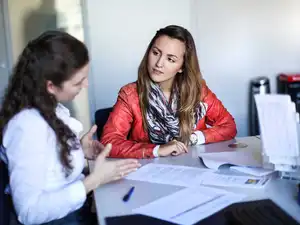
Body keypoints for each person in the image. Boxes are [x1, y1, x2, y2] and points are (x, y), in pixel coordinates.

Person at [0, 31, 140, 225]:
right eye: (78, 82)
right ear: (50, 86)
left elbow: (49, 165)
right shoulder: (26, 127)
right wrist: (93, 181)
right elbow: (29, 212)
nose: (86, 85)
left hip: (71, 212)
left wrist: (80, 151)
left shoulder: (51, 107)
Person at [101, 25, 237, 159]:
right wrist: (157, 150)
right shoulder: (130, 94)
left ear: (182, 67)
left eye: (170, 59)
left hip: (190, 167)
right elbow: (109, 142)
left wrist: (192, 139)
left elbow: (228, 126)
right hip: (147, 171)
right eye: (155, 53)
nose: (159, 63)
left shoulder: (199, 91)